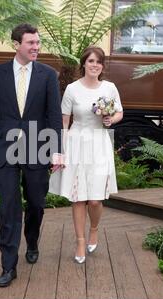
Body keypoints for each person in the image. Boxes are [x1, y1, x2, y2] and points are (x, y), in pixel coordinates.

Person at [0, 23, 63, 287]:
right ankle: (8, 265)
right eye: (31, 43)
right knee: (8, 206)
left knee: (36, 202)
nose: (36, 47)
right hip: (5, 147)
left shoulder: (48, 75)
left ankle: (33, 239)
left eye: (38, 43)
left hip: (37, 145)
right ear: (16, 44)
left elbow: (53, 116)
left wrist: (57, 150)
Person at [49, 46, 123, 264]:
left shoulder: (110, 88)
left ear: (102, 66)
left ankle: (94, 228)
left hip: (100, 143)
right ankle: (80, 240)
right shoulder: (72, 89)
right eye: (90, 61)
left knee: (94, 199)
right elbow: (63, 122)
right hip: (76, 142)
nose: (94, 65)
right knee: (78, 197)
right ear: (84, 64)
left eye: (98, 62)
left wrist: (112, 120)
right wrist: (60, 151)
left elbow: (119, 111)